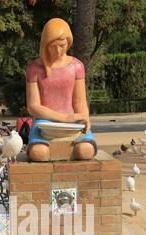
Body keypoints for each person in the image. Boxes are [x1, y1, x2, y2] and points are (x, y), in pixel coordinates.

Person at [26, 18, 98, 162]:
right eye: (53, 46)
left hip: (72, 124)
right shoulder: (34, 69)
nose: (58, 51)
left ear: (68, 42)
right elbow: (33, 107)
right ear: (45, 44)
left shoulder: (77, 66)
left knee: (85, 151)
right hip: (44, 125)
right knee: (39, 153)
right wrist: (65, 118)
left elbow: (80, 101)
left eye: (62, 45)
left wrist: (85, 118)